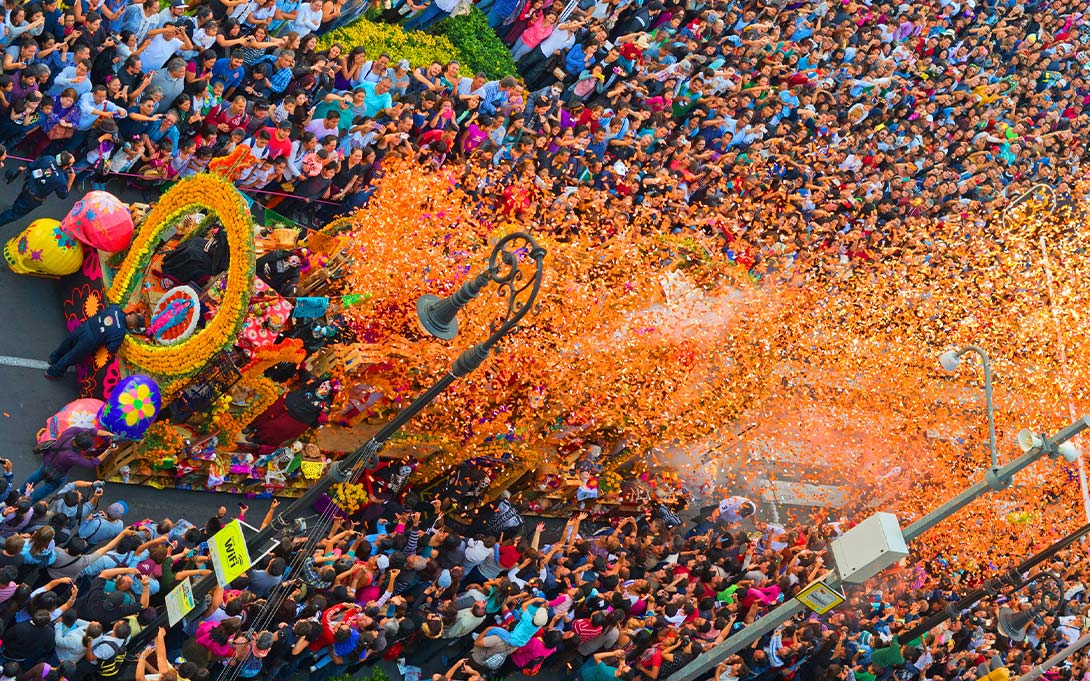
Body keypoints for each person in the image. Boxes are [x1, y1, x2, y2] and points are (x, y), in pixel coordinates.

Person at [46, 303, 145, 379]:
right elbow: (111, 348)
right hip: (90, 340)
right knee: (72, 356)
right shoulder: (120, 333)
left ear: (130, 314)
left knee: (67, 343)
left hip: (85, 326)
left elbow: (112, 307)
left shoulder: (116, 309)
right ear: (132, 327)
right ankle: (53, 372)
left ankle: (53, 358)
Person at [24, 427, 112, 502]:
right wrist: (108, 451)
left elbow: (89, 431)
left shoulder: (71, 431)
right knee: (48, 487)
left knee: (38, 474)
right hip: (58, 473)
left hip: (48, 460)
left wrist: (105, 433)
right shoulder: (73, 456)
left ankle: (21, 491)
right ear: (82, 449)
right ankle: (30, 501)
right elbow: (91, 463)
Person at [0, 151, 74, 227]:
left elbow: (32, 167)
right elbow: (63, 195)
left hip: (27, 186)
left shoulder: (48, 158)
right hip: (33, 199)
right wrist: (71, 179)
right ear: (66, 166)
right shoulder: (61, 180)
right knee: (14, 214)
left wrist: (24, 169)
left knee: (19, 202)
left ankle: (13, 208)